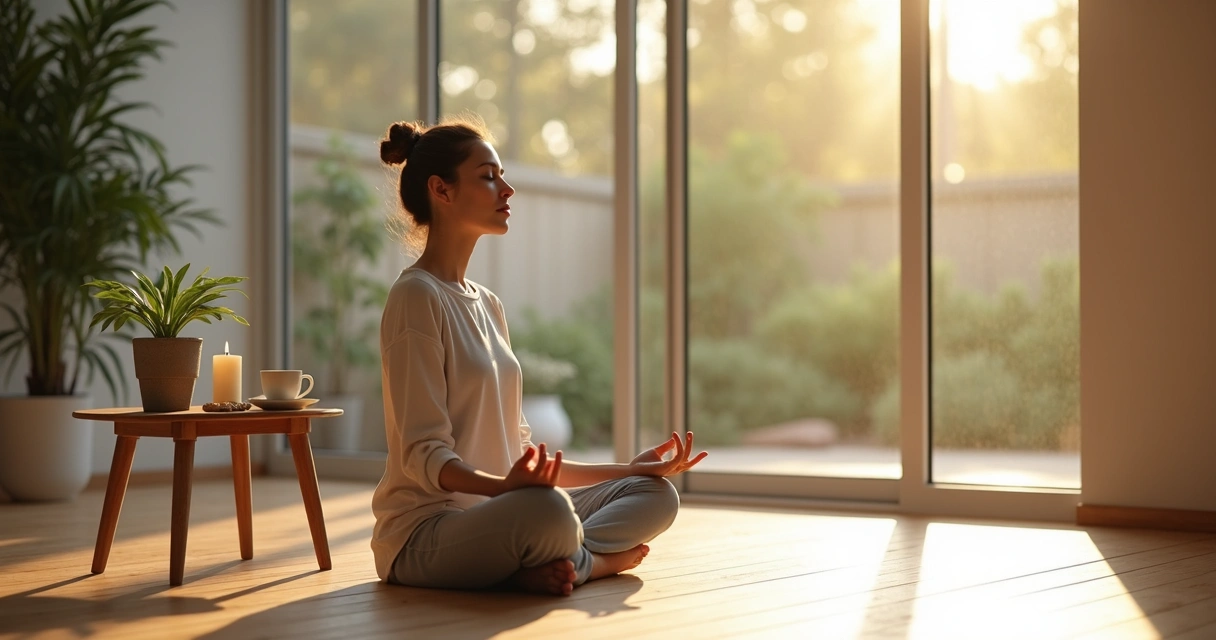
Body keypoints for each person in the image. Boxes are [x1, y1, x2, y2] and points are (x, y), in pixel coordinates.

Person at [370, 114, 708, 597]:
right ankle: (593, 562)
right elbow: (425, 455)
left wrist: (630, 470)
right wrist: (510, 491)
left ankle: (560, 561)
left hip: (508, 512)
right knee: (547, 511)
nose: (507, 190)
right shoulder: (415, 298)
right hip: (428, 534)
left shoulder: (488, 303)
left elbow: (523, 455)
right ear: (442, 191)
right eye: (489, 177)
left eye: (502, 175)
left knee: (655, 495)